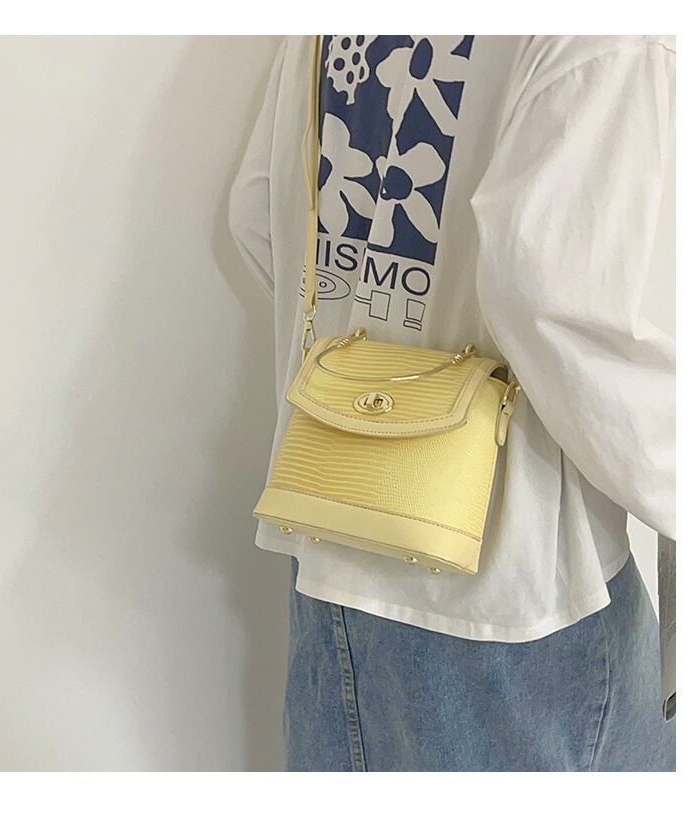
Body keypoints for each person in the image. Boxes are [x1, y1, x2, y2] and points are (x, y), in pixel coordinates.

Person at [229, 35, 675, 772]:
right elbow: (554, 301)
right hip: (505, 582)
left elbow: (258, 213)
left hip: (330, 520)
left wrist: (365, 371)